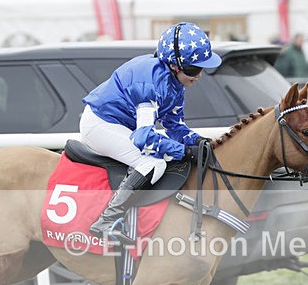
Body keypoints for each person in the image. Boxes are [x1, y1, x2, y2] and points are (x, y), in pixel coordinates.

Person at [81, 21, 221, 244]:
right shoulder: (152, 83)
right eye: (194, 69)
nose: (199, 75)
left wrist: (200, 142)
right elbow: (143, 138)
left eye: (202, 69)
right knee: (152, 164)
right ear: (175, 65)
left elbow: (174, 127)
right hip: (100, 123)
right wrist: (184, 151)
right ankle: (106, 221)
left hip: (121, 123)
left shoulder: (175, 83)